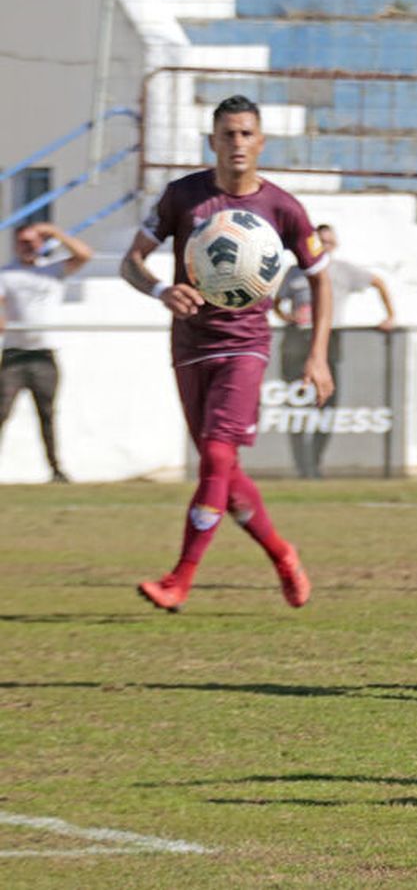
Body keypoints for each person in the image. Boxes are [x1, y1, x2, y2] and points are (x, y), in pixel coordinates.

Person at [120, 94, 334, 612]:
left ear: (261, 142)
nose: (237, 143)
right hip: (189, 345)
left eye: (246, 134)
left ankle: (179, 579)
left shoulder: (283, 208)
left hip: (245, 345)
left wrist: (318, 354)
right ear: (212, 142)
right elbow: (131, 263)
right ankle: (283, 555)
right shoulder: (182, 197)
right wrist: (160, 290)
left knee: (217, 457)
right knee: (225, 474)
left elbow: (320, 279)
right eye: (227, 134)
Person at [272, 222, 397, 478]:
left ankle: (315, 464)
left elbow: (378, 282)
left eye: (329, 242)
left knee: (326, 405)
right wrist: (288, 318)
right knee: (296, 406)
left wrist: (390, 316)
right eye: (321, 242)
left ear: (335, 245)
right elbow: (276, 303)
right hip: (296, 344)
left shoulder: (343, 270)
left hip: (329, 342)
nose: (325, 246)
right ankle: (301, 467)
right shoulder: (294, 272)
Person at [0, 222, 93, 483]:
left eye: (32, 242)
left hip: (44, 355)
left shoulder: (52, 270)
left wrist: (55, 232)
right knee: (2, 411)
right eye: (23, 242)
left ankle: (55, 470)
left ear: (41, 243)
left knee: (47, 414)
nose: (27, 247)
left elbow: (85, 255)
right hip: (14, 355)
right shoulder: (6, 273)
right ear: (15, 244)